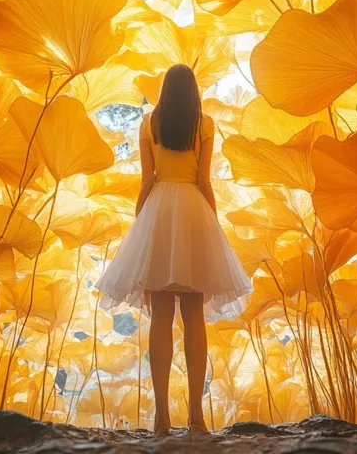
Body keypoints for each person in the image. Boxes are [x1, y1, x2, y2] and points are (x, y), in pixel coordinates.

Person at [96, 64, 252, 434]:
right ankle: (197, 417)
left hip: (160, 212)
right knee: (194, 317)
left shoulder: (149, 123)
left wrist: (141, 225)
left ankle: (161, 417)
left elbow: (147, 180)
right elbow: (203, 180)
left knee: (161, 318)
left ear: (165, 91)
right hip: (194, 211)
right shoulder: (204, 124)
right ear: (193, 92)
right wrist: (211, 224)